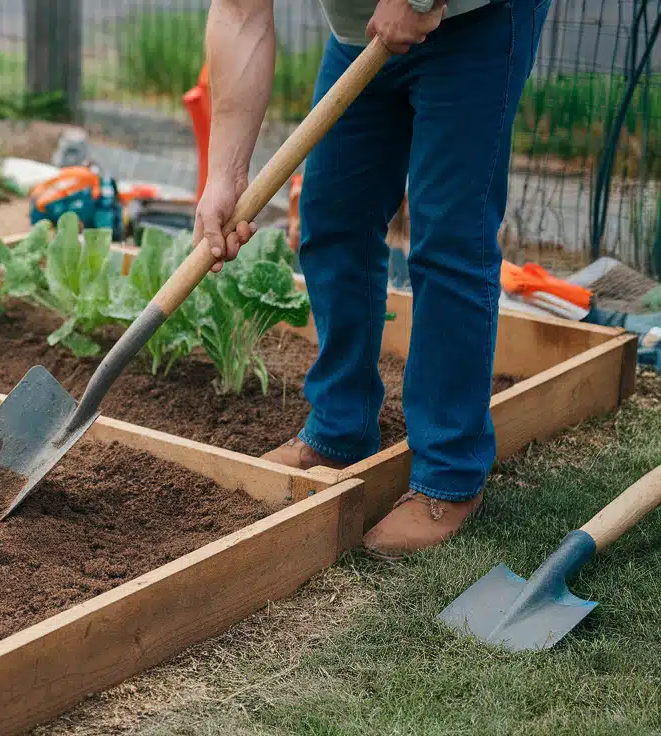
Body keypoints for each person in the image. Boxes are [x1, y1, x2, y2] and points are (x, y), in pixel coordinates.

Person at [195, 0, 549, 557]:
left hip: (477, 17)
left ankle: (449, 476)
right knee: (334, 215)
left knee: (447, 238)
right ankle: (340, 428)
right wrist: (225, 174)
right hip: (361, 31)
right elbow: (240, 13)